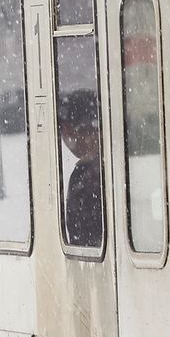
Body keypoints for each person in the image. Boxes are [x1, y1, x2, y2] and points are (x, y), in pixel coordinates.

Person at [57, 91, 104, 249]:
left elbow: (83, 243)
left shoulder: (85, 176)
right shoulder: (107, 166)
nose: (66, 141)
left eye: (66, 133)